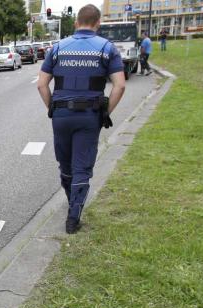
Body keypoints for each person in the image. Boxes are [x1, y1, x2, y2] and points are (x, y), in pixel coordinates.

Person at [36, 4, 126, 234]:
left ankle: (71, 199)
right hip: (89, 116)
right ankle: (73, 217)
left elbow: (42, 84)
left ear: (76, 23)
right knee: (82, 168)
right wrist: (105, 113)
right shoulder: (107, 49)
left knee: (65, 165)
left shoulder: (57, 48)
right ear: (97, 24)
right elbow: (119, 85)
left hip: (61, 115)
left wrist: (52, 108)